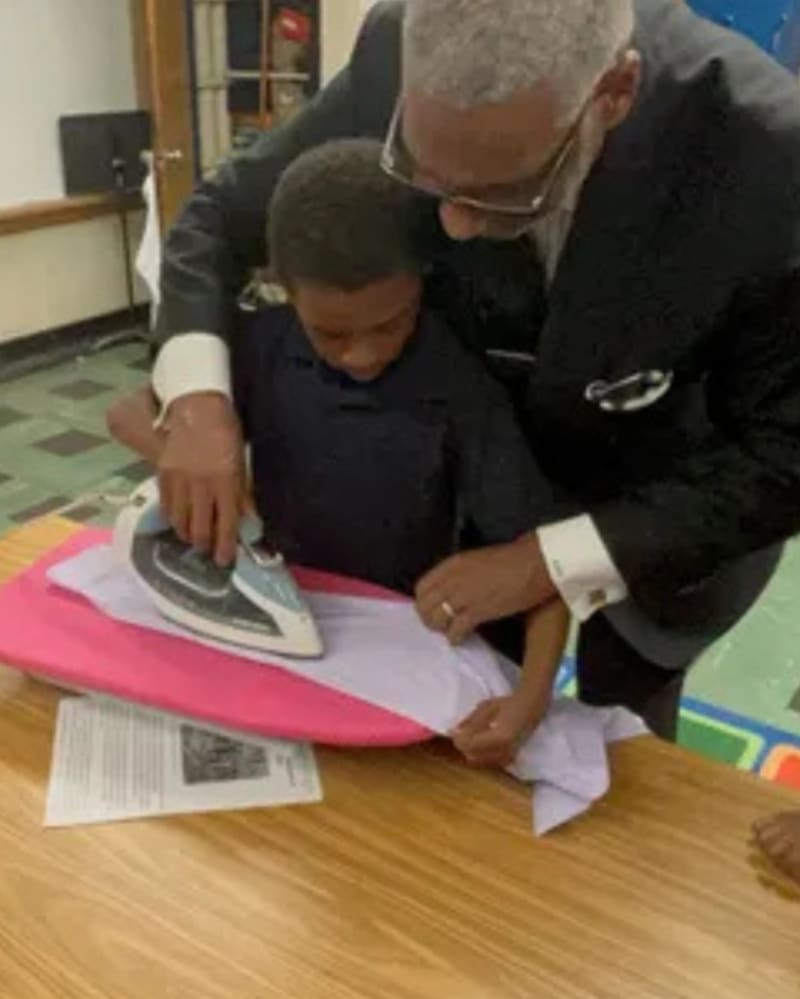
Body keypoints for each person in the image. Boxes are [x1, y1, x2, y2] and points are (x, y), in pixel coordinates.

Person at [148, 0, 800, 867]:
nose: (452, 227)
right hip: (465, 500)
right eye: (424, 174)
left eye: (501, 193)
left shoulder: (764, 152)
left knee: (624, 792)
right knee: (448, 794)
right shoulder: (396, 52)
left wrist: (549, 560)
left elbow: (783, 451)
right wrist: (197, 402)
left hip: (656, 521)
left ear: (614, 91)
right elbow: (212, 226)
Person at [110, 138, 570, 769]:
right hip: (284, 645)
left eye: (390, 324)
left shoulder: (457, 385)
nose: (363, 355)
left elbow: (542, 566)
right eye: (329, 333)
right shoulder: (259, 348)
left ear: (422, 282)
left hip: (398, 646)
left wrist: (532, 695)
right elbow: (126, 413)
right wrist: (206, 463)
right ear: (282, 289)